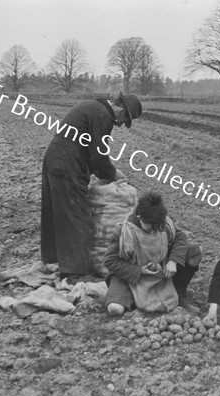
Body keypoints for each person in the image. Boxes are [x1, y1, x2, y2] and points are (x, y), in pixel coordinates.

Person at [37, 92, 142, 279]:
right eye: (124, 119)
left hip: (56, 161)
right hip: (67, 166)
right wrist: (112, 173)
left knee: (60, 214)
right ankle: (75, 272)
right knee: (79, 217)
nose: (119, 124)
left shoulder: (95, 108)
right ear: (121, 109)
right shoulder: (103, 116)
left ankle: (55, 260)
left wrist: (106, 171)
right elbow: (98, 155)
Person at [104, 191, 202, 315]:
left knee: (195, 251)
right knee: (115, 309)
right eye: (151, 228)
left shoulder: (161, 222)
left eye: (158, 227)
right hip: (131, 275)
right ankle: (135, 299)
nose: (154, 231)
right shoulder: (124, 232)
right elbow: (110, 261)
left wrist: (173, 261)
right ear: (140, 218)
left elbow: (180, 237)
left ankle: (179, 294)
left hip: (159, 272)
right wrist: (139, 270)